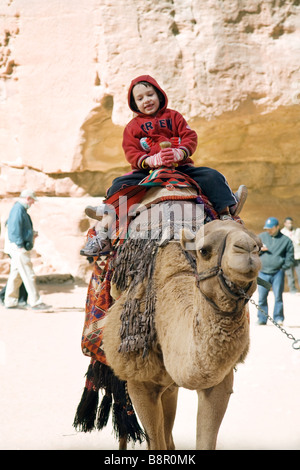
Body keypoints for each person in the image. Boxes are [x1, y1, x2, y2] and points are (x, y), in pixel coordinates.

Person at [81, 75, 247, 257]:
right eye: (140, 98)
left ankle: (226, 211)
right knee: (118, 184)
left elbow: (190, 136)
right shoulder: (132, 127)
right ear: (134, 104)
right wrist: (150, 160)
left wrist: (180, 152)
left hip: (180, 167)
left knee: (211, 176)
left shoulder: (174, 117)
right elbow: (131, 151)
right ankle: (105, 226)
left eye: (150, 94)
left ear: (159, 95)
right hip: (147, 171)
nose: (146, 100)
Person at [4, 189, 51, 310]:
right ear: (28, 198)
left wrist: (30, 234)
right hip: (18, 247)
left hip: (17, 246)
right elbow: (14, 229)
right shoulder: (18, 209)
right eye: (32, 201)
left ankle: (10, 301)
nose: (32, 203)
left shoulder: (19, 209)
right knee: (29, 274)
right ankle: (36, 302)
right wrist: (20, 244)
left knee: (16, 274)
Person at [257, 217, 294, 325]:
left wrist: (283, 267)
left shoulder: (286, 240)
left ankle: (278, 318)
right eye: (267, 228)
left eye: (271, 228)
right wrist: (260, 250)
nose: (268, 230)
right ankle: (262, 319)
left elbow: (290, 257)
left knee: (278, 297)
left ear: (277, 227)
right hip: (262, 273)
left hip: (277, 273)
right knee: (262, 297)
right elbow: (253, 252)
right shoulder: (261, 237)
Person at [281, 217, 300, 294]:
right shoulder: (282, 232)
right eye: (288, 223)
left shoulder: (298, 231)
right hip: (288, 257)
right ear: (285, 224)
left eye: (291, 223)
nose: (290, 225)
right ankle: (292, 290)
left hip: (298, 256)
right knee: (289, 274)